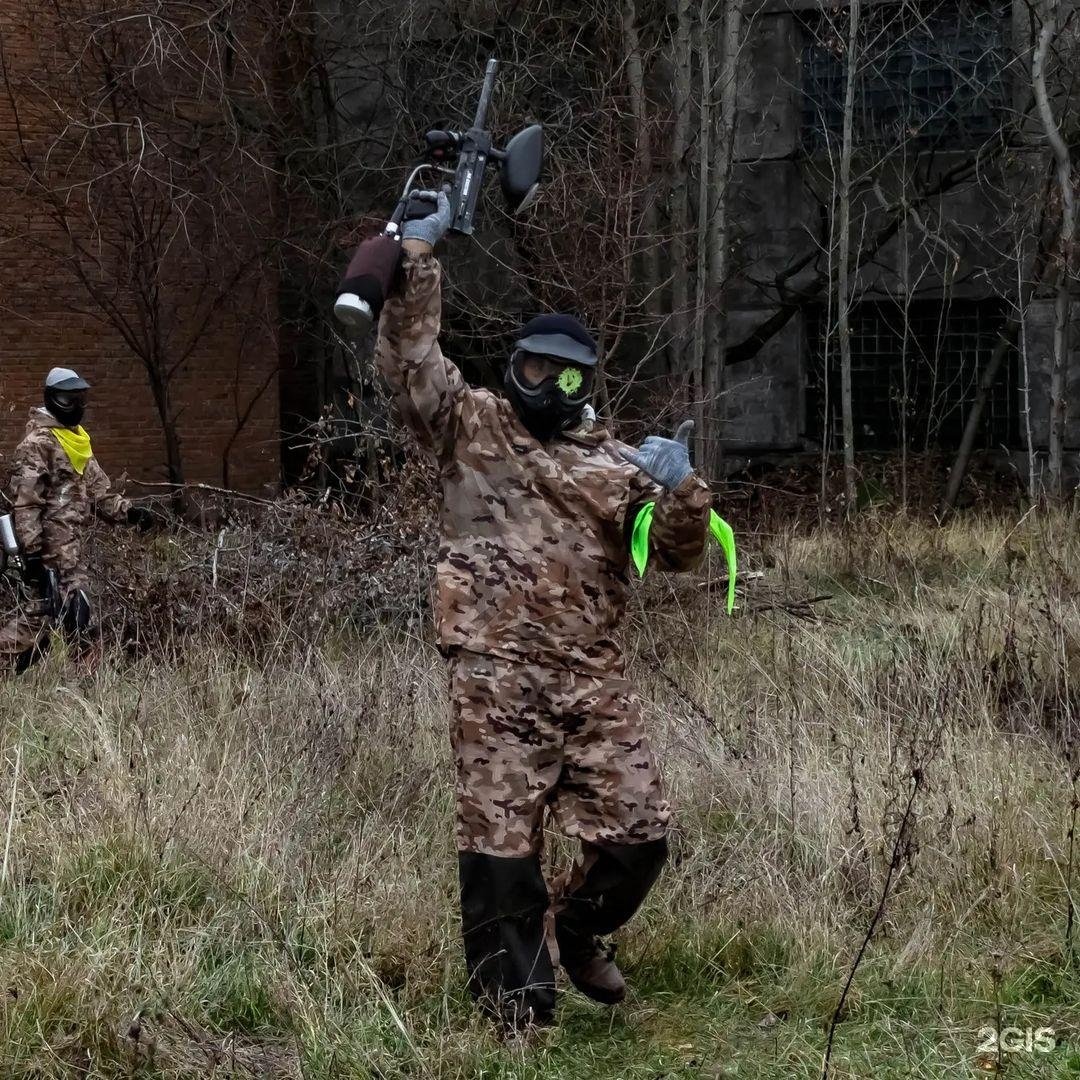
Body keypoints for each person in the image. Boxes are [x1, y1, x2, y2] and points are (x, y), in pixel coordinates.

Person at [374, 192, 712, 1032]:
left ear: (586, 383)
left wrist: (682, 491)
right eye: (534, 369)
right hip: (494, 679)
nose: (548, 386)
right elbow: (413, 361)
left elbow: (675, 553)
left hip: (592, 682)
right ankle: (516, 1010)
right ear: (513, 366)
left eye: (567, 376)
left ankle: (581, 926)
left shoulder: (616, 465)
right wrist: (417, 259)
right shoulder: (471, 426)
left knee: (641, 838)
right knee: (500, 849)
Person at [0, 367, 153, 673]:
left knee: (79, 618)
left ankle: (84, 690)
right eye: (67, 400)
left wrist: (131, 513)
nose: (75, 407)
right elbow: (27, 505)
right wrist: (31, 558)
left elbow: (99, 493)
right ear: (52, 399)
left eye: (79, 399)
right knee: (40, 618)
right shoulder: (36, 444)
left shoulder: (77, 441)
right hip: (45, 554)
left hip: (71, 552)